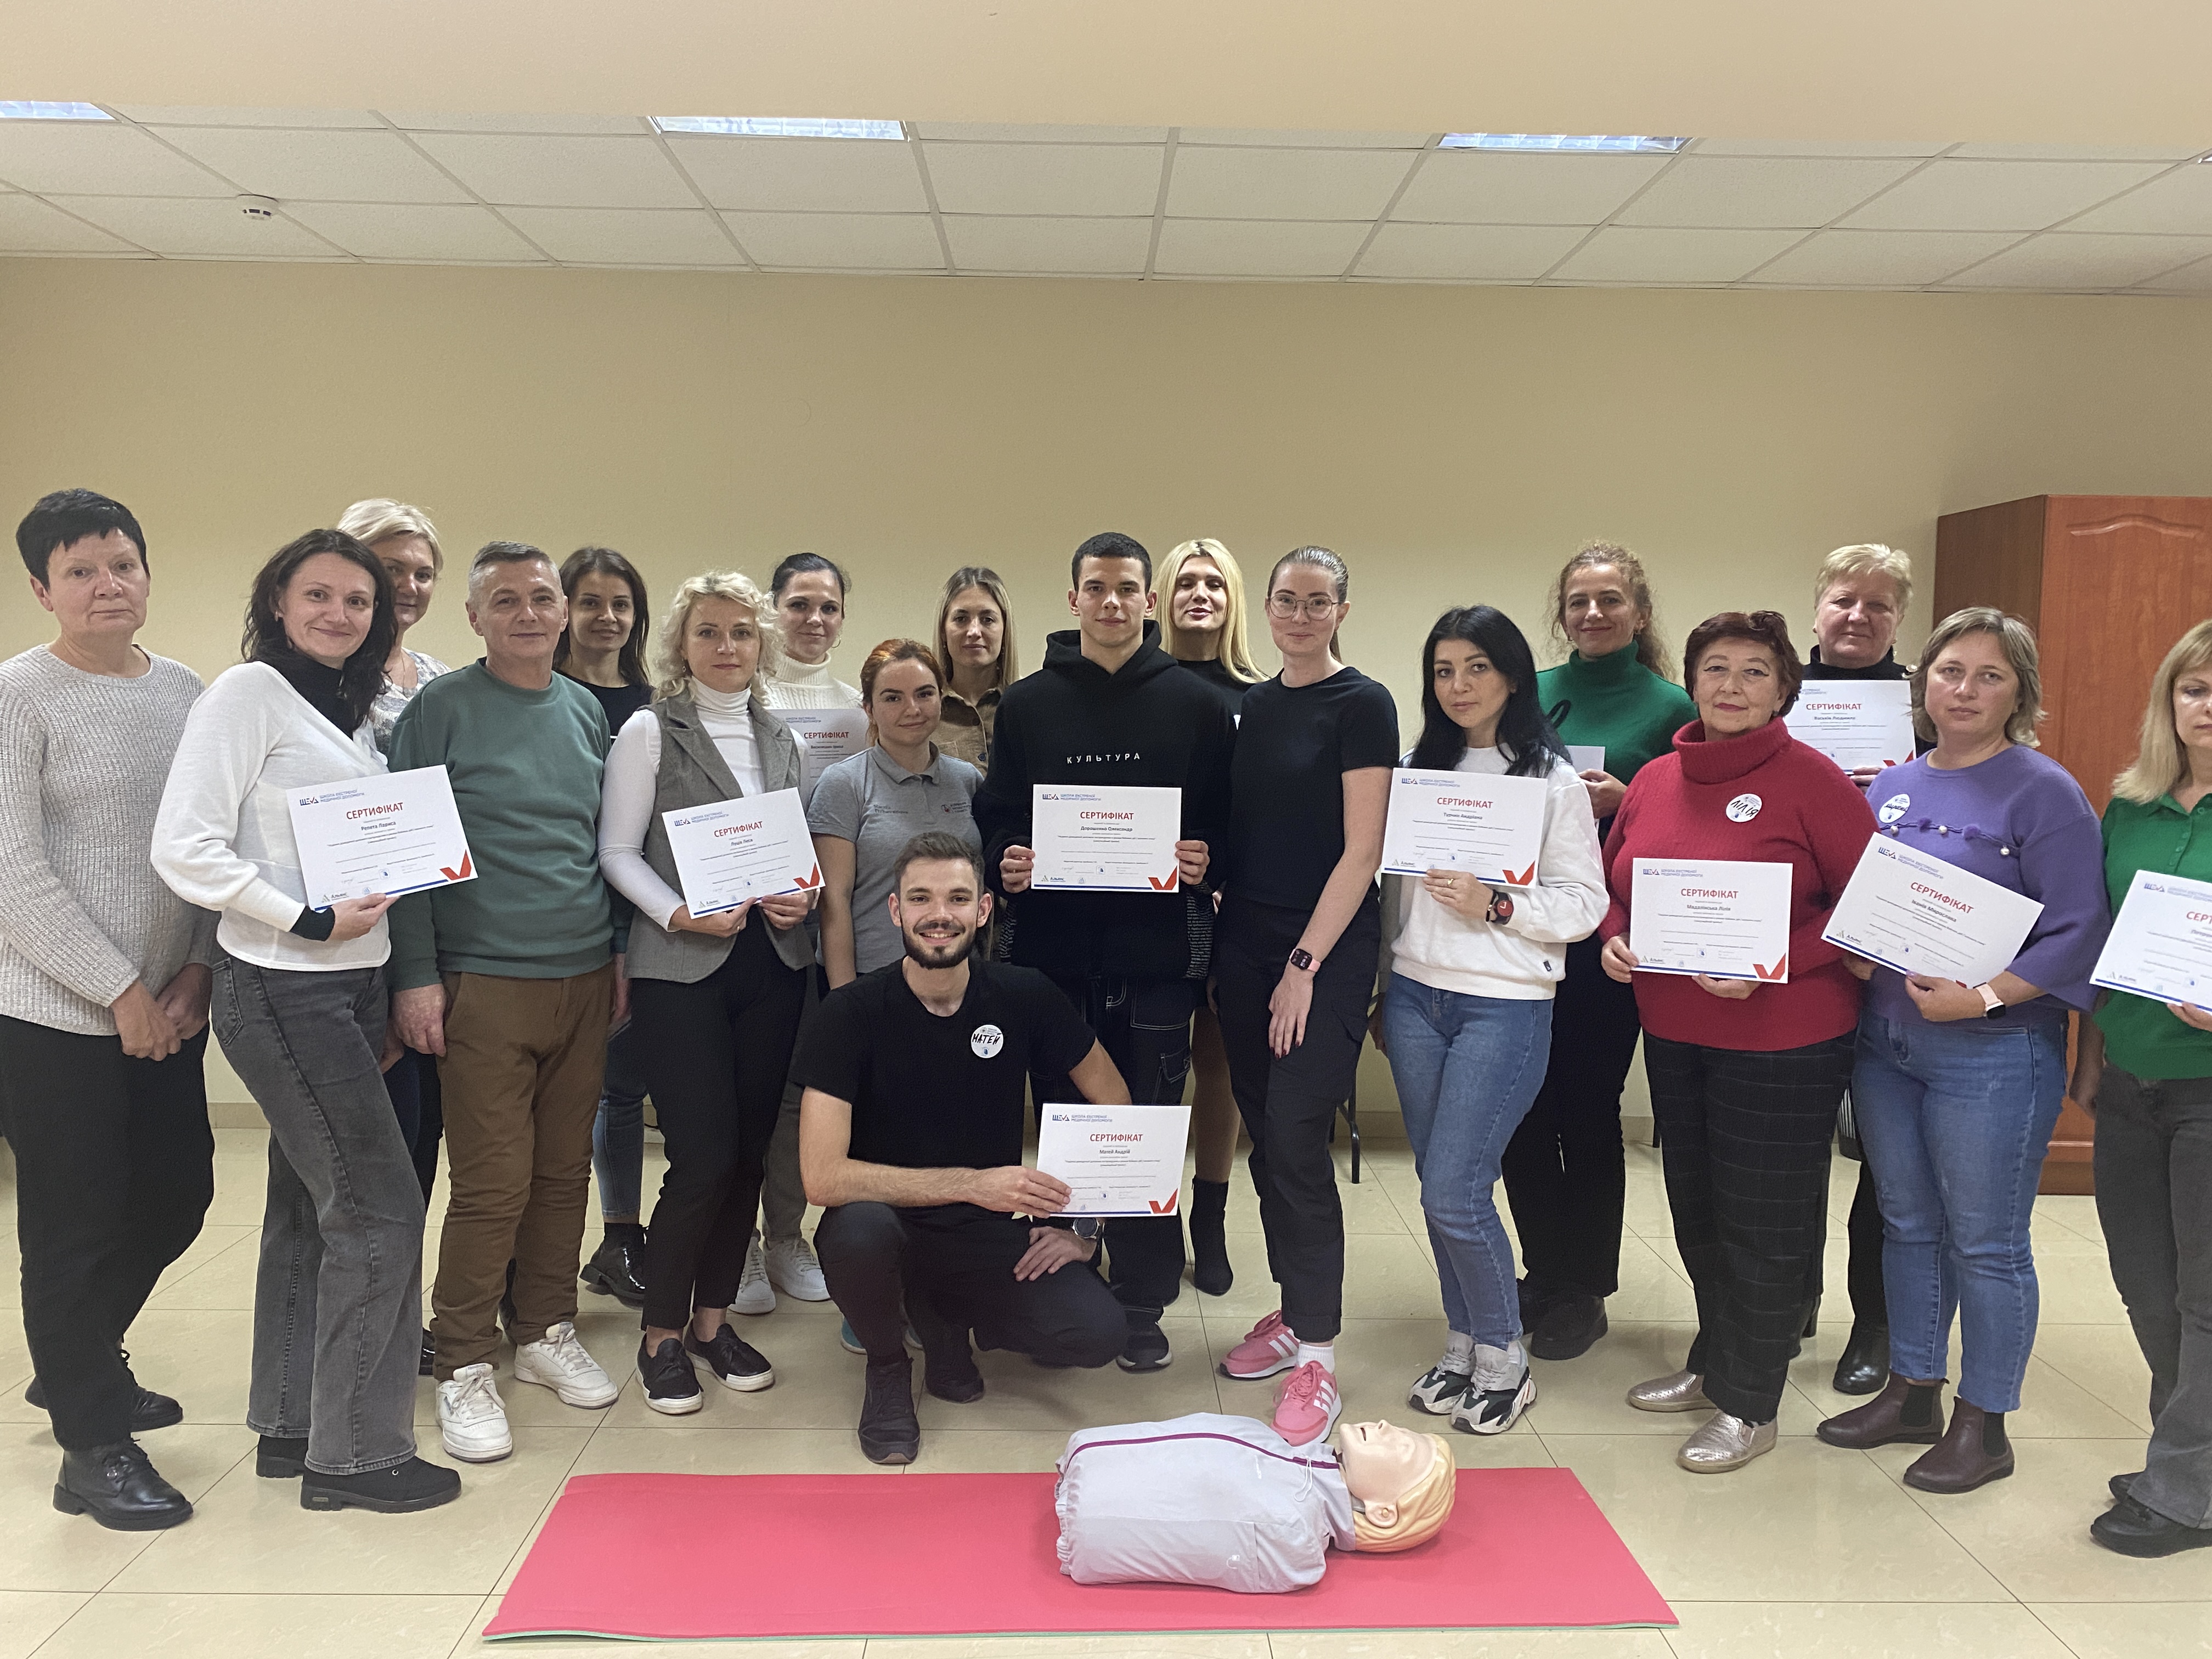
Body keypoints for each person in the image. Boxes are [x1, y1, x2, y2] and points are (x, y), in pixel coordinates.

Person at [153, 528, 460, 1515]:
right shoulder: (247, 694)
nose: (339, 613)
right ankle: (356, 1456)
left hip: (351, 989)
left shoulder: (348, 711)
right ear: (277, 603)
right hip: (286, 985)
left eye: (358, 600)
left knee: (307, 1211)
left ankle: (293, 1424)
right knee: (381, 1210)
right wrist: (307, 917)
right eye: (317, 594)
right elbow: (184, 846)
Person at [1817, 607, 2107, 1493]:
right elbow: (1867, 896)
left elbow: (2079, 928)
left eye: (1990, 675)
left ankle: (1986, 1421)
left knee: (1986, 1242)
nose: (1966, 690)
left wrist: (1981, 995)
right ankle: (1913, 1389)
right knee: (1907, 1223)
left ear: (2020, 691)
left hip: (1994, 1049)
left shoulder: (2044, 791)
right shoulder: (1893, 785)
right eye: (1950, 671)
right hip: (1887, 1043)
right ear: (1924, 683)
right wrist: (1855, 947)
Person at [1601, 610, 1874, 1473]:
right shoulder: (1655, 779)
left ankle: (1752, 1403)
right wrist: (1614, 936)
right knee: (1699, 1207)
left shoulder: (1813, 780)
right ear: (1691, 681)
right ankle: (1718, 1360)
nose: (1732, 685)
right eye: (1716, 668)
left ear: (1783, 688)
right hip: (1675, 1029)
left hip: (1784, 1037)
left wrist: (1778, 960)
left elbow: (1868, 907)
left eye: (1755, 671)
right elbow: (1616, 885)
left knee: (1764, 1218)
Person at [0, 490, 216, 1531]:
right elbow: (13, 873)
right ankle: (90, 1446)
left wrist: (198, 970)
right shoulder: (18, 696)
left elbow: (212, 843)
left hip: (169, 1006)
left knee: (178, 1196)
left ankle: (75, 1360)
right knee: (74, 1226)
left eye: (122, 563)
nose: (107, 585)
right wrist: (119, 991)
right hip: (52, 1014)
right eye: (80, 571)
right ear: (43, 590)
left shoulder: (184, 691)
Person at [974, 531, 1234, 1374]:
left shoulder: (1196, 704)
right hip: (1051, 960)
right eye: (1097, 587)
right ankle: (1069, 1287)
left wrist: (1206, 857)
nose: (1112, 602)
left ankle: (1144, 1300)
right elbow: (998, 813)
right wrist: (1009, 856)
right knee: (1066, 1127)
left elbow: (1227, 819)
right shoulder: (1027, 704)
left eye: (1127, 588)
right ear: (1074, 598)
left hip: (1158, 959)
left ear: (1148, 602)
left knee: (1146, 1129)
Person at [388, 540, 625, 1464]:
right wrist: (415, 976)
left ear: (564, 610)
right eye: (506, 600)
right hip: (481, 980)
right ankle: (461, 1360)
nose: (528, 614)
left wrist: (615, 953)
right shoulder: (440, 709)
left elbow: (596, 842)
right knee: (494, 1182)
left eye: (542, 597)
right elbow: (408, 852)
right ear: (475, 617)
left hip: (583, 975)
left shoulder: (583, 709)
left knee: (565, 1171)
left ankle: (544, 1329)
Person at [797, 832, 1132, 1464]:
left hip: (985, 1232)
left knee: (1098, 1332)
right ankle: (888, 1366)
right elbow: (821, 1178)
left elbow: (1115, 1103)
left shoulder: (1025, 994)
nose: (939, 914)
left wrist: (1086, 1227)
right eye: (920, 898)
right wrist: (974, 1183)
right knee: (858, 1233)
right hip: (886, 1225)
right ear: (895, 911)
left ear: (982, 911)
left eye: (956, 898)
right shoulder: (848, 1013)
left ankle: (946, 1319)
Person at [1374, 606, 1605, 1438]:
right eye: (1444, 671)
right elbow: (1392, 897)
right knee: (1441, 1189)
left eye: (1477, 667)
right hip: (1415, 999)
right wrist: (1383, 988)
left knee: (1455, 1190)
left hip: (1503, 1006)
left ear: (1512, 677)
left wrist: (1497, 903)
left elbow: (1585, 905)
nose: (1459, 685)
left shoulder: (1551, 781)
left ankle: (1506, 1355)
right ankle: (1465, 1342)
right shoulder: (1416, 772)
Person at [599, 571, 813, 1413]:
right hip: (680, 967)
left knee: (751, 1155)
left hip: (773, 964)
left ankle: (712, 1323)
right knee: (702, 1157)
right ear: (681, 645)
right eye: (709, 632)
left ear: (763, 645)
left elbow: (792, 852)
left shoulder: (781, 737)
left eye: (742, 633)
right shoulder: (650, 731)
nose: (727, 647)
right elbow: (618, 853)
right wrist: (679, 912)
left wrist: (803, 896)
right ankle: (660, 1334)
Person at [1213, 546, 1397, 1448]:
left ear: (1341, 611)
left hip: (1321, 948)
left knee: (1294, 1136)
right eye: (1285, 599)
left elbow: (1362, 853)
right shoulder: (1248, 706)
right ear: (1267, 607)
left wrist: (1303, 964)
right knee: (1264, 1133)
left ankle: (1317, 1356)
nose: (1298, 614)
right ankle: (1292, 1312)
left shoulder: (1362, 704)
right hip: (1242, 945)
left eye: (1317, 601)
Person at [1505, 543, 1694, 1363]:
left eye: (1610, 600)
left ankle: (1584, 1288)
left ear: (1640, 614)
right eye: (1578, 600)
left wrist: (1630, 793)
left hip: (1607, 940)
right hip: (1521, 929)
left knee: (1585, 1109)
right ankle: (1541, 1270)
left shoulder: (1672, 704)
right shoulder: (1530, 693)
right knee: (1520, 1109)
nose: (1593, 613)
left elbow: (1690, 809)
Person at [2074, 619, 2212, 1556]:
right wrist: (2091, 1054)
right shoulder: (2129, 807)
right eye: (2194, 688)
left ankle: (2185, 1488)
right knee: (2147, 1287)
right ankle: (2187, 1456)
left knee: (2206, 1298)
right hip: (2130, 1077)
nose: (2208, 707)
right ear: (2169, 701)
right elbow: (2104, 941)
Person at [1801, 542, 1917, 1395]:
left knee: (1886, 1160)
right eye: (1845, 599)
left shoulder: (1927, 712)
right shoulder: (1776, 699)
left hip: (1891, 967)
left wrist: (1909, 784)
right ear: (1818, 608)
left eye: (1879, 605)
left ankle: (1873, 1324)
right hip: (1797, 960)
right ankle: (1786, 1303)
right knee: (1788, 1150)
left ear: (1899, 619)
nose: (1858, 616)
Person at [340, 499, 450, 1368]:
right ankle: (345, 1342)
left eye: (422, 571)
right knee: (358, 1169)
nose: (407, 585)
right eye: (390, 568)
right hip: (349, 952)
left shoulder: (440, 681)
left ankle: (396, 1324)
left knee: (419, 1146)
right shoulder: (315, 679)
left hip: (435, 942)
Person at [742, 550, 856, 1310]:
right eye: (799, 604)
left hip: (821, 927)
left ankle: (785, 1237)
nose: (814, 620)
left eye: (829, 607)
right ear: (772, 609)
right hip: (741, 923)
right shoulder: (739, 696)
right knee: (738, 1096)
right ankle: (737, 1245)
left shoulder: (857, 708)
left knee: (796, 1093)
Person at [1156, 538, 1266, 1297]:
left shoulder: (1260, 697)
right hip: (1152, 908)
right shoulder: (1139, 687)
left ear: (1233, 601)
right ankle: (1150, 1213)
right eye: (1187, 582)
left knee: (1219, 1064)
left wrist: (1228, 876)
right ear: (1162, 597)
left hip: (1233, 905)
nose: (1201, 594)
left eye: (1215, 583)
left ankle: (1212, 1217)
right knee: (1156, 1064)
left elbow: (1265, 807)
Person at [556, 546, 656, 1315]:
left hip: (645, 919)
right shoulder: (544, 694)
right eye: (590, 602)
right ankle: (556, 1255)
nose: (607, 617)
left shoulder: (655, 708)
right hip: (565, 919)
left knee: (624, 1087)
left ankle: (621, 1236)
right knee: (572, 1094)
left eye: (621, 604)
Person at [812, 639, 983, 988]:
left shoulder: (967, 780)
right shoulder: (844, 783)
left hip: (957, 976)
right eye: (893, 698)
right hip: (871, 980)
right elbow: (834, 903)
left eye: (924, 694)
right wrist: (846, 999)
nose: (912, 709)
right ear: (869, 709)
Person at [933, 566, 1018, 774]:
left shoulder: (1029, 706)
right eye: (961, 619)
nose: (974, 631)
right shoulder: (924, 711)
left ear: (1004, 630)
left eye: (987, 619)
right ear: (943, 631)